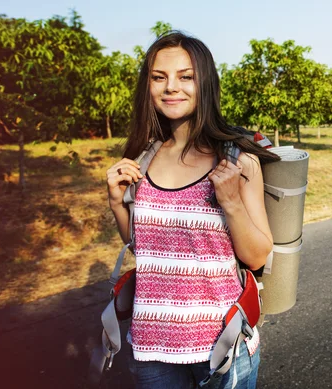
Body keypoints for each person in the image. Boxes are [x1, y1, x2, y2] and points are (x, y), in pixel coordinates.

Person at [105, 31, 279, 389]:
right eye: (159, 77)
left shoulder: (237, 160)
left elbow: (258, 255)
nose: (172, 87)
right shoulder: (144, 157)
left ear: (205, 84)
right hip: (152, 346)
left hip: (223, 346)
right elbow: (146, 249)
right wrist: (114, 202)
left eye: (186, 77)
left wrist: (230, 200)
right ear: (148, 86)